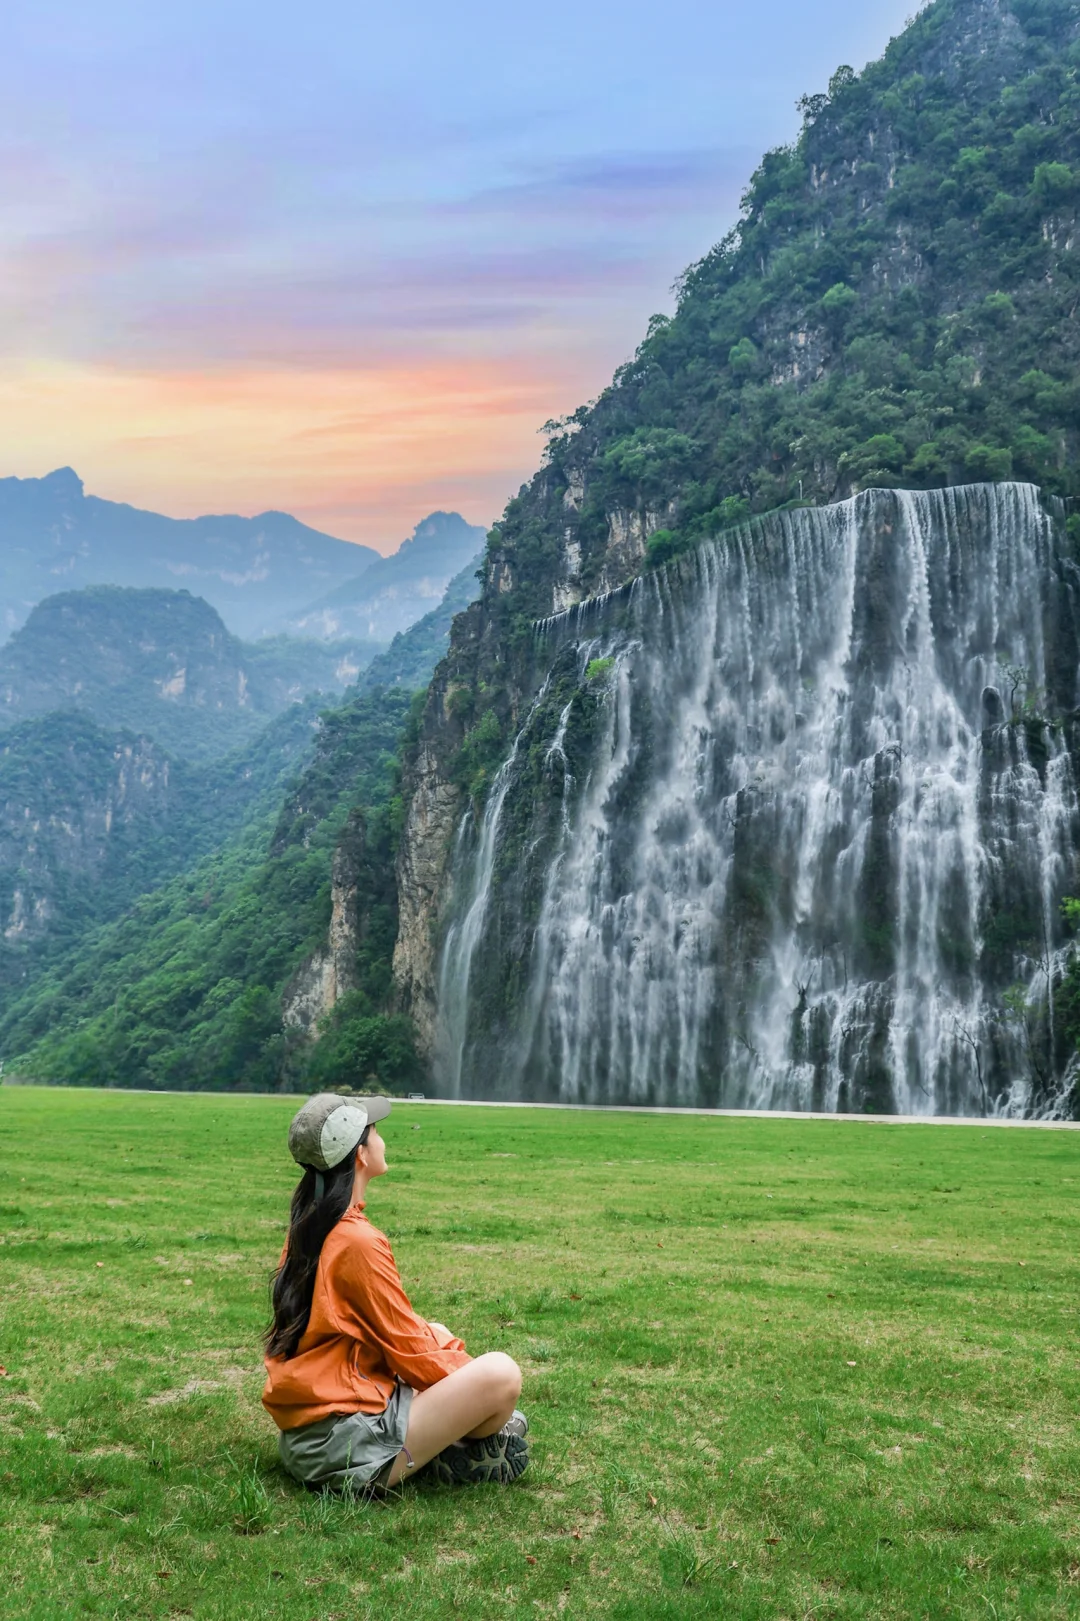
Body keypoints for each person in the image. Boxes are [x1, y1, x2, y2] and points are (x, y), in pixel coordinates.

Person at [262, 1091, 528, 1495]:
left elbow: (394, 1337)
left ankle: (448, 1442)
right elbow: (409, 1350)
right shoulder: (356, 1242)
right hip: (345, 1448)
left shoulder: (309, 1225)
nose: (382, 1139)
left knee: (436, 1330)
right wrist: (483, 1399)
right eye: (375, 1131)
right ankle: (452, 1446)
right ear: (360, 1155)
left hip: (309, 1436)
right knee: (500, 1376)